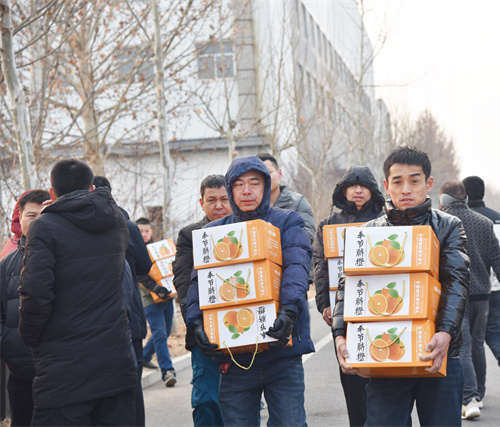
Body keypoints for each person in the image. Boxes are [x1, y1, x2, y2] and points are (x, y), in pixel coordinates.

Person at [332, 146, 470, 426]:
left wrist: (445, 332)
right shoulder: (367, 234)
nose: (406, 189)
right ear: (386, 186)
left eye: (414, 181)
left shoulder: (448, 226)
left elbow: (456, 281)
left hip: (438, 351)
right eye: (397, 182)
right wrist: (340, 334)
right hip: (385, 354)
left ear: (428, 183)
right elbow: (348, 285)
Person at [186, 155, 314, 426]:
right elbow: (199, 282)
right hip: (234, 355)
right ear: (231, 190)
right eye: (239, 184)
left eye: (254, 183)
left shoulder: (287, 222)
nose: (247, 191)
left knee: (290, 423)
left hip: (281, 349)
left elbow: (297, 266)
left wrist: (289, 311)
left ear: (266, 186)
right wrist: (195, 323)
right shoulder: (214, 232)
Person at [18, 159, 138, 426]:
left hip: (63, 367)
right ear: (92, 188)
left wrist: (31, 338)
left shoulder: (44, 226)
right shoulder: (116, 220)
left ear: (52, 193)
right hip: (114, 358)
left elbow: (35, 293)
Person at [439, 180, 500, 420]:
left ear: (443, 200)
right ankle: (480, 394)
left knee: (462, 347)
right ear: (464, 198)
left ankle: (470, 398)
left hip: (456, 296)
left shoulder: (441, 223)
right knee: (477, 345)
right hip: (483, 296)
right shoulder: (484, 223)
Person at [312, 166, 385, 426]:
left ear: (373, 190)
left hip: (382, 309)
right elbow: (320, 266)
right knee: (351, 375)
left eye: (363, 186)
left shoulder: (388, 219)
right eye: (352, 186)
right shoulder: (328, 225)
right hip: (345, 313)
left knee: (385, 376)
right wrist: (325, 303)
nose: (357, 190)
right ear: (343, 191)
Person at [93, 176, 152, 427]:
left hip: (96, 321)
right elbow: (146, 266)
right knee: (132, 388)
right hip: (131, 314)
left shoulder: (76, 227)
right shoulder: (128, 225)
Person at [173, 174, 231, 427]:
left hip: (244, 330)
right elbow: (183, 281)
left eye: (224, 199)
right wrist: (194, 323)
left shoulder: (248, 230)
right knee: (207, 400)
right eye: (212, 200)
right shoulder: (190, 235)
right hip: (204, 332)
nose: (219, 205)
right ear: (201, 202)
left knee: (238, 404)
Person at [462, 176, 500, 398]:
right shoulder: (499, 219)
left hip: (470, 289)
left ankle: (474, 391)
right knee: (495, 331)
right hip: (493, 288)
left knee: (469, 341)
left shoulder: (461, 218)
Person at [0, 190, 49, 427]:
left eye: (43, 215)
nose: (38, 221)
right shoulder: (6, 265)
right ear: (20, 217)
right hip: (19, 370)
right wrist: (7, 347)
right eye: (31, 215)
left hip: (57, 371)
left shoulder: (66, 258)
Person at [136, 217, 177, 387]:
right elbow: (140, 275)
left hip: (166, 295)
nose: (144, 234)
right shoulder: (134, 249)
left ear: (151, 231)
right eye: (140, 231)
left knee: (164, 332)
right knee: (159, 333)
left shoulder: (159, 249)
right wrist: (155, 288)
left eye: (146, 231)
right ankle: (167, 371)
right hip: (149, 299)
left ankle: (144, 356)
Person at [256, 152, 316, 245]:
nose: (265, 178)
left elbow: (307, 236)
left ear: (279, 174)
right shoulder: (250, 205)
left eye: (269, 172)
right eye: (259, 175)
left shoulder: (298, 201)